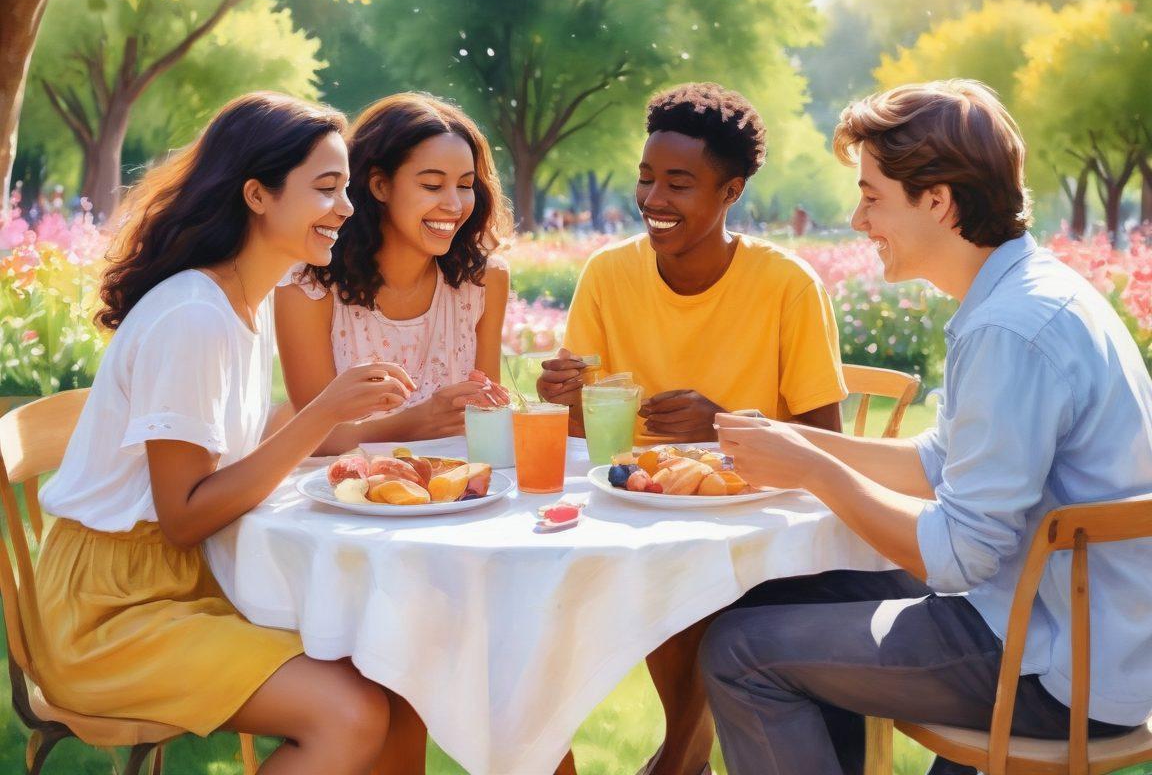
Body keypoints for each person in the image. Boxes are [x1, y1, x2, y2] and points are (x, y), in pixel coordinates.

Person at [703, 79, 1152, 775]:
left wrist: (814, 473)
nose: (857, 219)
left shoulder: (1010, 327)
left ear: (937, 200)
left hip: (1059, 666)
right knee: (788, 590)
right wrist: (799, 440)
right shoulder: (1026, 292)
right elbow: (939, 463)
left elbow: (958, 555)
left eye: (872, 196)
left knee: (738, 652)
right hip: (1068, 627)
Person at [34, 93, 419, 775]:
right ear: (257, 195)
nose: (348, 209)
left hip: (175, 586)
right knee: (349, 713)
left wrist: (373, 420)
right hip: (110, 614)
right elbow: (183, 515)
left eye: (348, 190)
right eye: (327, 189)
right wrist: (324, 413)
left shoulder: (244, 302)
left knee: (388, 660)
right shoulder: (194, 317)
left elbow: (242, 439)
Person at [538, 82, 847, 775]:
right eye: (646, 178)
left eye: (679, 183)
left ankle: (679, 760)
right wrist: (560, 397)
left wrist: (726, 425)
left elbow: (826, 435)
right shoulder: (608, 274)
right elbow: (587, 421)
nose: (653, 199)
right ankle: (669, 760)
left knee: (680, 581)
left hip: (755, 526)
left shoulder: (786, 285)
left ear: (730, 190)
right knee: (532, 605)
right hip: (632, 507)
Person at [276, 93, 513, 455]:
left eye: (465, 185)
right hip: (341, 498)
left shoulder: (482, 280)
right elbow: (313, 440)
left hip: (454, 494)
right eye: (432, 185)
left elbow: (484, 419)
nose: (454, 205)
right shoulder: (310, 286)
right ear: (379, 185)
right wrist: (417, 423)